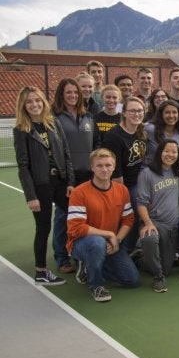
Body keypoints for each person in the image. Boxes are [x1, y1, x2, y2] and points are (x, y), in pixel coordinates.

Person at [13, 86, 74, 284]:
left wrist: (70, 182)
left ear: (43, 102)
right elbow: (23, 166)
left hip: (61, 182)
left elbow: (66, 154)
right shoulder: (21, 130)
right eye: (29, 102)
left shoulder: (53, 123)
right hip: (41, 185)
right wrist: (31, 196)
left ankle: (81, 258)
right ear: (23, 106)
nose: (34, 105)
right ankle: (41, 271)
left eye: (37, 100)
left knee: (76, 217)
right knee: (43, 227)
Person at [67, 148, 140, 302]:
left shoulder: (122, 190)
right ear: (92, 168)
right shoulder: (79, 193)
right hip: (83, 242)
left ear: (114, 167)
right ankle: (96, 285)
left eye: (108, 165)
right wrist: (109, 234)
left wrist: (117, 240)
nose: (104, 169)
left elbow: (129, 219)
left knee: (132, 280)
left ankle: (91, 265)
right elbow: (77, 227)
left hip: (110, 243)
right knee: (97, 243)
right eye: (99, 165)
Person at [52, 78, 100, 270]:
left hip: (88, 176)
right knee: (64, 218)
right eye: (68, 92)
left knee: (86, 218)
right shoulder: (55, 118)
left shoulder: (88, 117)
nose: (72, 96)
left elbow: (96, 143)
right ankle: (62, 258)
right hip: (66, 179)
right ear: (61, 95)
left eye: (75, 92)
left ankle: (80, 255)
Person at [102, 96, 147, 253]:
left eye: (140, 111)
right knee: (134, 213)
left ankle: (133, 244)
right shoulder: (114, 136)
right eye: (133, 111)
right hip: (123, 185)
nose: (136, 114)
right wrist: (124, 198)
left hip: (138, 181)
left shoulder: (140, 132)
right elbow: (116, 174)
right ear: (124, 113)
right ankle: (125, 249)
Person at [135, 139, 179, 292]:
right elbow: (141, 203)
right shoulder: (147, 174)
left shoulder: (178, 171)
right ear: (159, 152)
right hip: (154, 222)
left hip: (172, 227)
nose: (170, 155)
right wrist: (147, 223)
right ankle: (157, 276)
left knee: (167, 269)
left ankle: (141, 259)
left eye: (174, 152)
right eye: (166, 151)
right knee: (150, 236)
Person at [145, 99, 179, 165]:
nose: (171, 116)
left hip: (169, 172)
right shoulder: (150, 129)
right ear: (161, 114)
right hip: (150, 170)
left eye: (174, 112)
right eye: (167, 112)